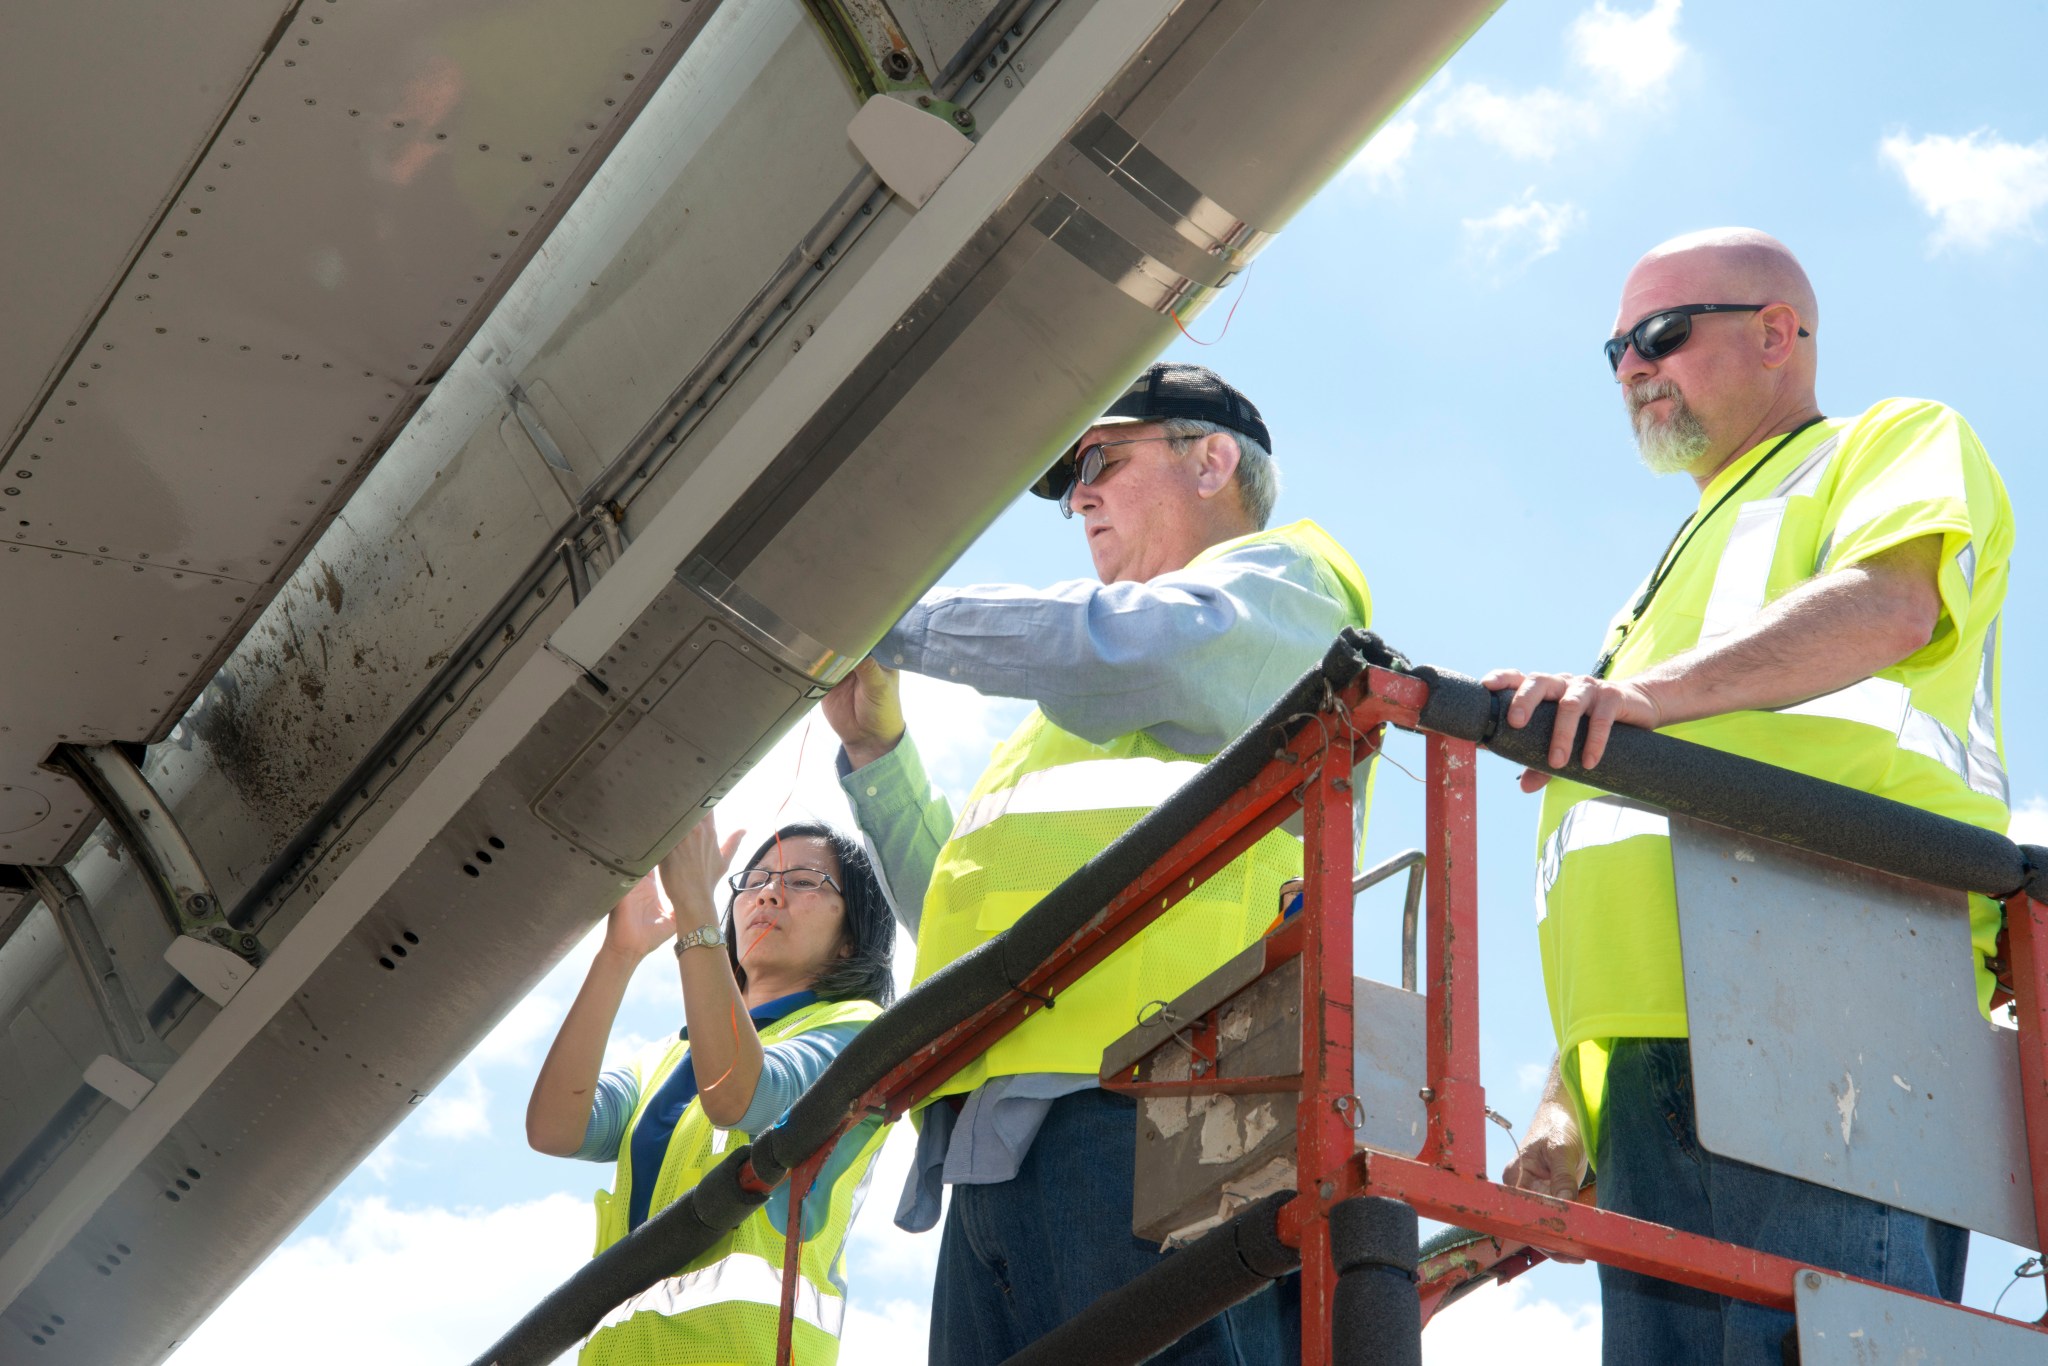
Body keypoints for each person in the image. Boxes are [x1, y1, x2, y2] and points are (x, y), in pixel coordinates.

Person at [1488, 228, 2013, 1363]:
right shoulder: (1665, 574)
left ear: (1776, 333)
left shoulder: (1890, 441)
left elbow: (1890, 607)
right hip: (1645, 1057)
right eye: (1614, 349)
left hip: (1835, 986)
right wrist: (1564, 1098)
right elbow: (1618, 839)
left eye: (1659, 335)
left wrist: (1641, 695)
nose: (1630, 367)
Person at [823, 362, 1373, 1363]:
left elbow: (1138, 653)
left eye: (1101, 460)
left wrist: (880, 616)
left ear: (1210, 461)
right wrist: (876, 753)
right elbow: (954, 911)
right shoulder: (1056, 721)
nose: (1077, 497)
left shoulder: (1287, 587)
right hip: (1006, 1144)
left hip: (1170, 1105)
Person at [526, 817, 897, 1366]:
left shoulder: (857, 1028)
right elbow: (554, 1129)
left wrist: (695, 908)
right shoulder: (667, 1058)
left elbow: (741, 1098)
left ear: (851, 938)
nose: (768, 892)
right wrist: (620, 954)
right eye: (754, 880)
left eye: (802, 881)